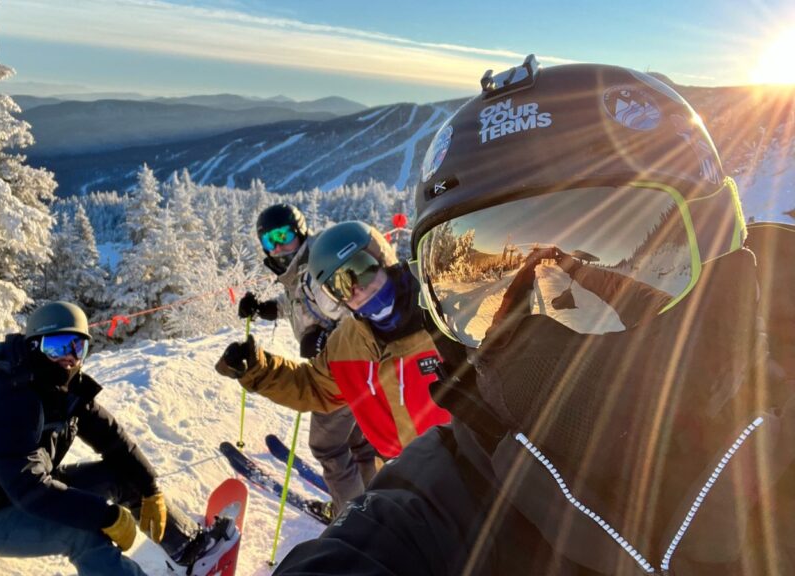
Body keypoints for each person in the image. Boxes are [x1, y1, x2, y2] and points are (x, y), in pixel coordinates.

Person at [272, 58, 795, 575]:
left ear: (718, 246)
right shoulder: (455, 482)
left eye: (603, 239)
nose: (546, 326)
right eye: (474, 283)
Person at [0, 302, 237, 576]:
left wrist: (149, 487)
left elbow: (113, 439)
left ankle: (191, 549)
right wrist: (106, 514)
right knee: (85, 535)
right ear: (34, 346)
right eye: (58, 347)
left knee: (122, 477)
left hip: (14, 489)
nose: (69, 358)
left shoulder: (59, 384)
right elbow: (28, 489)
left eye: (78, 347)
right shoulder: (6, 398)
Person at [216, 221, 452, 463]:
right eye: (340, 286)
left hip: (466, 467)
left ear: (382, 259)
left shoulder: (445, 315)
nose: (356, 289)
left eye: (362, 269)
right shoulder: (348, 342)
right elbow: (312, 386)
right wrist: (259, 370)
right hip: (401, 478)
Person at [238, 204, 384, 513]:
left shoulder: (318, 268)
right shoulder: (302, 267)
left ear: (299, 231)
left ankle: (352, 519)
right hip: (355, 371)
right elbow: (298, 302)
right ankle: (373, 499)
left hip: (342, 370)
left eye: (283, 236)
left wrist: (323, 339)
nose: (277, 247)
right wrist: (268, 309)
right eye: (269, 241)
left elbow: (357, 312)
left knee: (328, 446)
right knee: (359, 441)